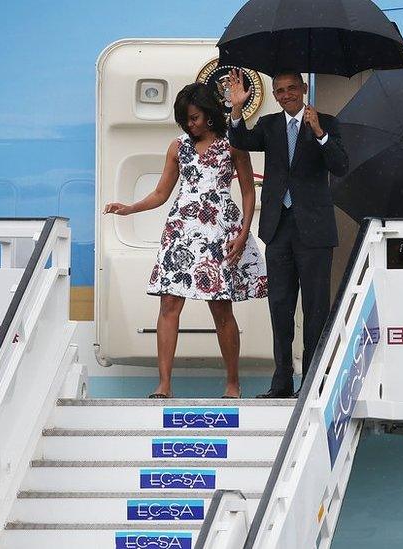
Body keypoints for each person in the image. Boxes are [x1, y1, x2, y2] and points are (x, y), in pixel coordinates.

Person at [104, 83, 267, 399]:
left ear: (208, 114)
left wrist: (244, 232)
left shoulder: (233, 144)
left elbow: (248, 192)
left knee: (221, 308)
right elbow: (161, 193)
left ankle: (233, 383)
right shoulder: (177, 147)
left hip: (221, 230)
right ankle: (164, 384)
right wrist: (129, 208)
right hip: (181, 229)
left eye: (194, 118)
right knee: (168, 303)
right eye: (185, 120)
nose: (190, 124)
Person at [226, 68, 349, 398]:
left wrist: (319, 132)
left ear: (304, 88)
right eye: (280, 91)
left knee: (315, 309)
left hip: (315, 231)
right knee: (280, 307)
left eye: (292, 88)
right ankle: (281, 382)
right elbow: (240, 140)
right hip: (279, 228)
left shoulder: (327, 122)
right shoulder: (269, 125)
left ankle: (311, 383)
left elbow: (340, 165)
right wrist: (237, 107)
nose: (286, 95)